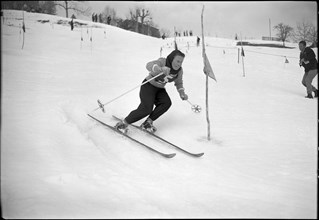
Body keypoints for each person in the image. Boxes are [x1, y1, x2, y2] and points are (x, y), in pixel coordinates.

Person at [115, 50, 188, 133]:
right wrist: (160, 69)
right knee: (146, 109)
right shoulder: (163, 62)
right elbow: (148, 65)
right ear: (172, 59)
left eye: (181, 62)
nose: (179, 64)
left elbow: (179, 83)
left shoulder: (179, 71)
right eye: (177, 61)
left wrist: (182, 93)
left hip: (159, 89)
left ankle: (147, 123)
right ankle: (123, 123)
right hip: (148, 85)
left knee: (166, 103)